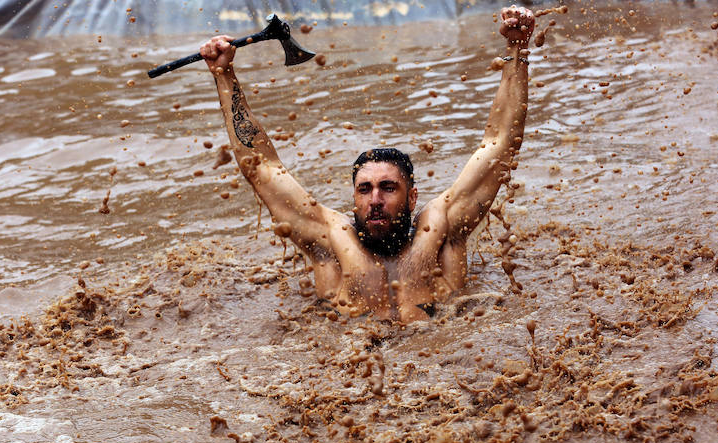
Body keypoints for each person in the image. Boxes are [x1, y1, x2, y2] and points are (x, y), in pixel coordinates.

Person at [199, 5, 534, 323]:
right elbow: (262, 167)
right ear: (354, 198)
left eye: (388, 188)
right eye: (365, 190)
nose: (375, 200)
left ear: (412, 197)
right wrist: (224, 74)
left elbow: (499, 147)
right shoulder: (331, 239)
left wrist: (516, 49)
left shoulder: (440, 230)